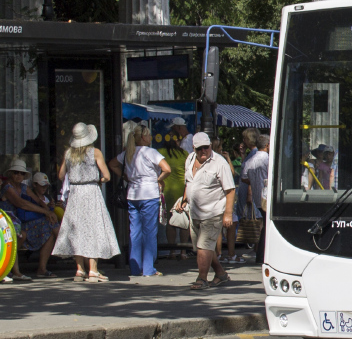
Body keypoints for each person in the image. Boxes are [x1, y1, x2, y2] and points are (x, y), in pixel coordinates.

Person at [52, 123, 118, 282]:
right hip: (91, 192)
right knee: (93, 228)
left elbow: (61, 175)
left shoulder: (68, 154)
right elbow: (107, 175)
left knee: (77, 230)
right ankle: (93, 270)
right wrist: (99, 180)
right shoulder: (95, 152)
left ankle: (79, 269)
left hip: (75, 194)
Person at [109, 121, 171, 277]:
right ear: (143, 137)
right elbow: (167, 169)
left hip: (133, 194)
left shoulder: (128, 153)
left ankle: (135, 267)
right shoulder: (150, 152)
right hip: (149, 193)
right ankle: (149, 268)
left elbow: (112, 164)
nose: (150, 137)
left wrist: (126, 177)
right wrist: (158, 179)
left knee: (135, 232)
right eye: (149, 134)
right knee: (149, 232)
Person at [176, 131, 234, 289]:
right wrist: (184, 199)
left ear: (210, 146)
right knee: (203, 247)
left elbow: (230, 190)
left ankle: (202, 279)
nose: (203, 151)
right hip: (194, 211)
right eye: (200, 148)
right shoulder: (189, 159)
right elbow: (189, 183)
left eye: (206, 148)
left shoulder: (219, 163)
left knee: (204, 246)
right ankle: (221, 274)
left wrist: (228, 214)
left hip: (213, 212)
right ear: (194, 148)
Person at [1, 159, 53, 281]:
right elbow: (21, 204)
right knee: (19, 235)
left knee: (49, 226)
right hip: (4, 221)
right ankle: (12, 270)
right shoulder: (7, 186)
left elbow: (38, 200)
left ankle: (41, 268)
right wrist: (46, 211)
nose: (19, 175)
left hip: (18, 221)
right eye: (16, 172)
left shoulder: (23, 187)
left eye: (21, 173)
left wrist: (49, 211)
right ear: (10, 174)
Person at [21, 172, 60, 278]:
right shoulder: (28, 196)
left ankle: (42, 269)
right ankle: (62, 241)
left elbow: (50, 213)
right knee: (52, 225)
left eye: (46, 185)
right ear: (34, 185)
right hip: (30, 226)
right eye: (42, 185)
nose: (44, 187)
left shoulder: (48, 197)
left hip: (44, 227)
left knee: (51, 231)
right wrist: (46, 212)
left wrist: (51, 208)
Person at [241, 134, 270, 264]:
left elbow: (244, 177)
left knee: (264, 225)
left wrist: (254, 182)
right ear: (267, 145)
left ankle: (260, 255)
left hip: (258, 198)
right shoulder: (268, 159)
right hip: (267, 196)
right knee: (267, 227)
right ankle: (262, 255)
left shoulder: (250, 160)